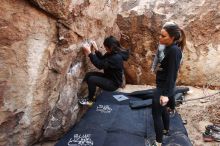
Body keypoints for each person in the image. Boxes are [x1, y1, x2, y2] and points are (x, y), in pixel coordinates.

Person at [152, 22, 186, 146]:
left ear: (172, 38)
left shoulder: (174, 51)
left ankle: (158, 142)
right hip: (164, 85)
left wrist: (166, 94)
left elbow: (172, 74)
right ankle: (166, 129)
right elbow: (166, 66)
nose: (160, 38)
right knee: (163, 110)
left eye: (163, 36)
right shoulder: (167, 47)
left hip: (163, 88)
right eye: (160, 35)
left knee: (156, 115)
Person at [79, 36, 129, 106]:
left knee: (91, 79)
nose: (105, 48)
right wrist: (96, 50)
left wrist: (90, 53)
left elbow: (100, 65)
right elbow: (103, 59)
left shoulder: (116, 58)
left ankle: (90, 100)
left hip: (113, 84)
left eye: (105, 47)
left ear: (110, 47)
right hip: (108, 77)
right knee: (88, 75)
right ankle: (92, 96)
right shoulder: (112, 53)